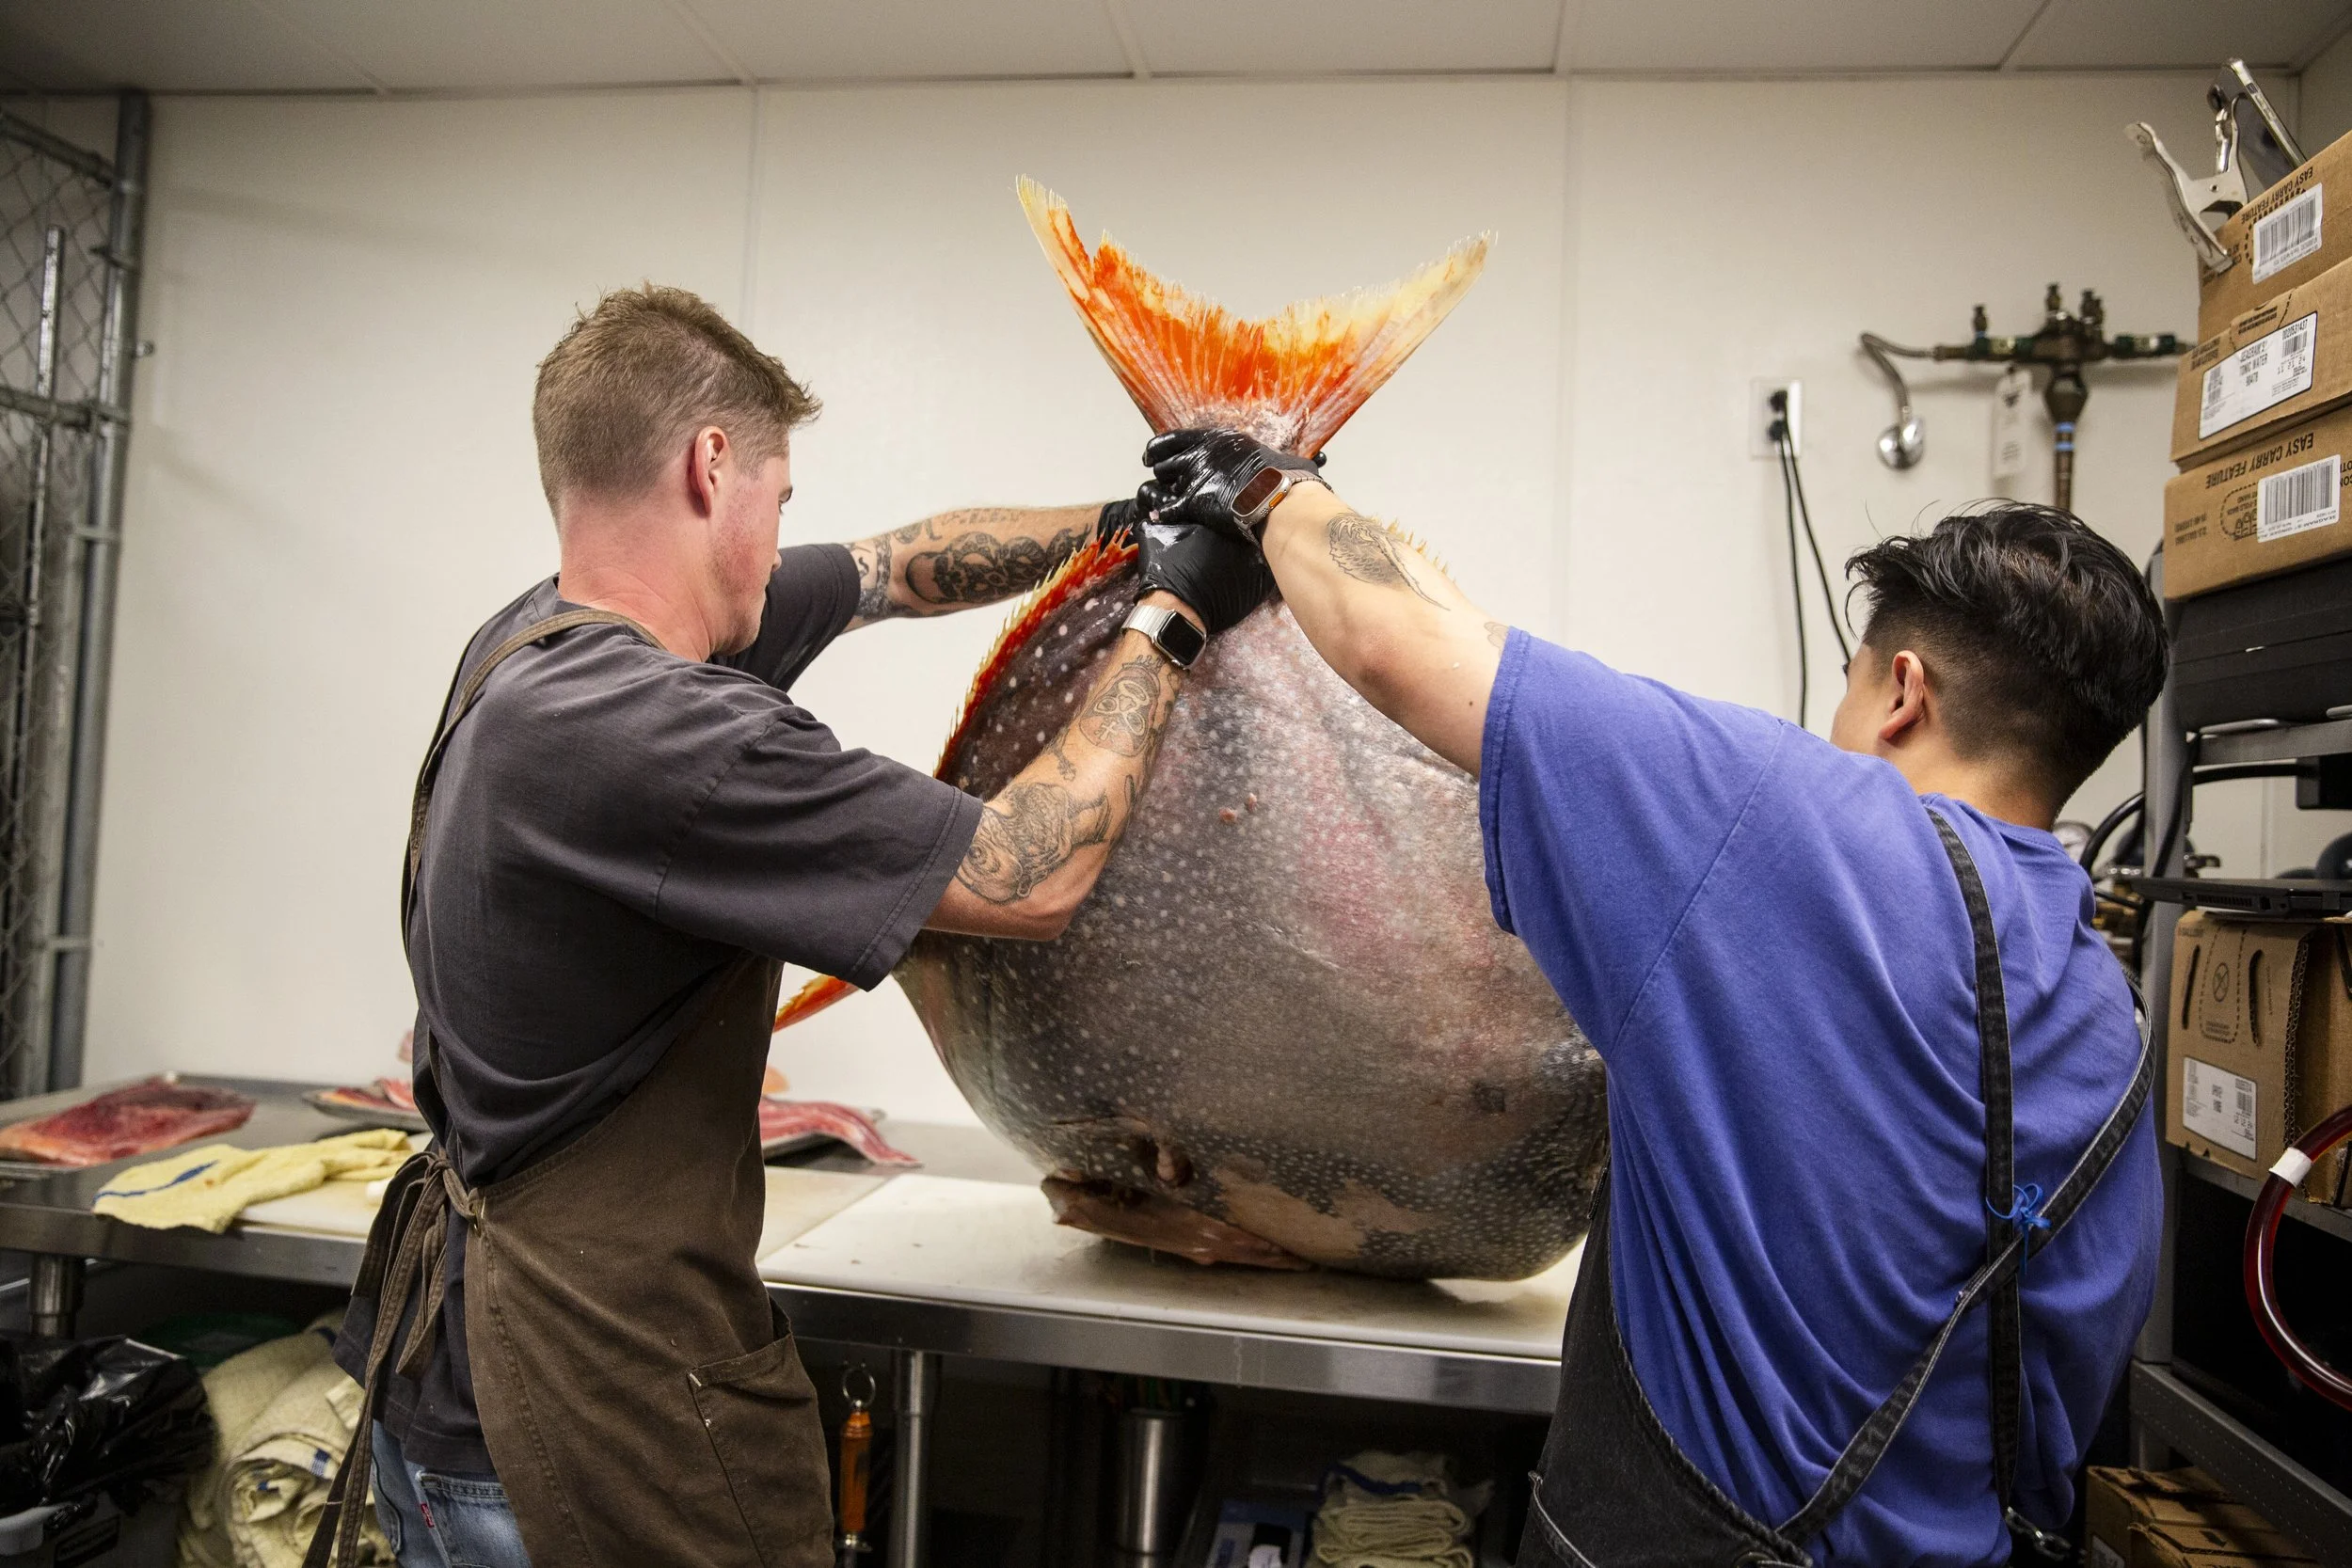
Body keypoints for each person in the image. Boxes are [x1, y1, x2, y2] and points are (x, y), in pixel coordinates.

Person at [310, 289, 1271, 1568]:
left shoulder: (531, 642)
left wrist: (1123, 528)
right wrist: (1170, 616)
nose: (782, 538)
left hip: (456, 1380)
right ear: (712, 467)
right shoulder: (657, 733)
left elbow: (892, 566)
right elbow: (1029, 872)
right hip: (577, 1416)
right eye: (782, 496)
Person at [1138, 429, 2166, 1567]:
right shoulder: (2106, 1011)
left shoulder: (1793, 830)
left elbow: (1398, 648)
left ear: (1902, 694)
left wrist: (1266, 487)